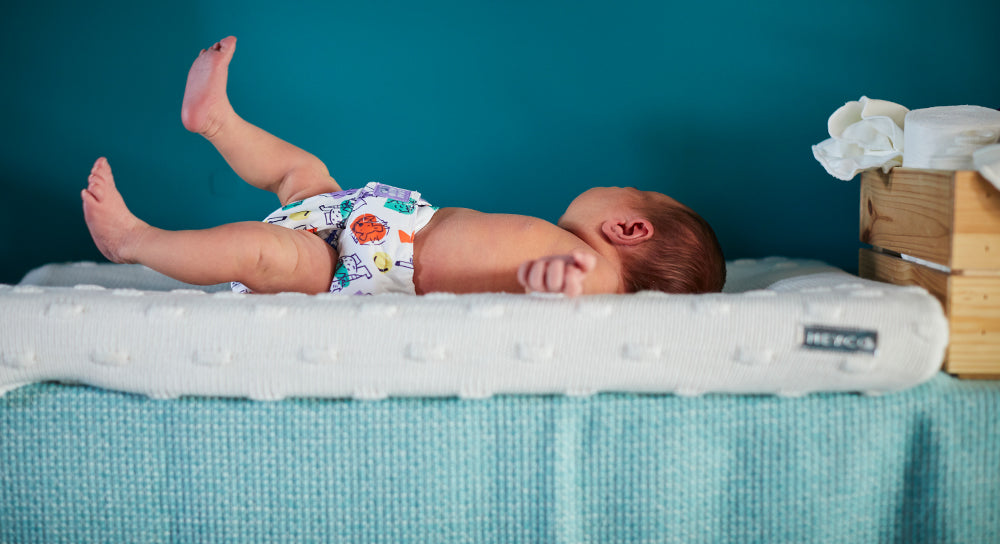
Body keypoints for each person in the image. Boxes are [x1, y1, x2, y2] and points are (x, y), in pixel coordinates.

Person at [83, 37, 725, 297]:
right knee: (301, 171)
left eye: (632, 190)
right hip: (362, 215)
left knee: (264, 252)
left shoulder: (594, 280)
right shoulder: (575, 249)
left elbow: (568, 307)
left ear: (630, 228)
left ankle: (135, 242)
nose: (620, 183)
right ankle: (217, 121)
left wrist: (564, 283)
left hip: (351, 270)